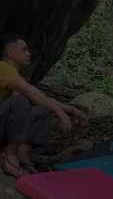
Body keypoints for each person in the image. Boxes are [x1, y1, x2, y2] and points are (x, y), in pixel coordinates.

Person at [0, 34, 87, 177]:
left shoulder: (14, 77)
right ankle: (9, 155)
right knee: (21, 101)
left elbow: (40, 98)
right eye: (24, 49)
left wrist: (70, 109)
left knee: (40, 109)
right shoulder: (3, 68)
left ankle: (22, 153)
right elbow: (30, 92)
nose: (29, 53)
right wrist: (60, 113)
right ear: (10, 52)